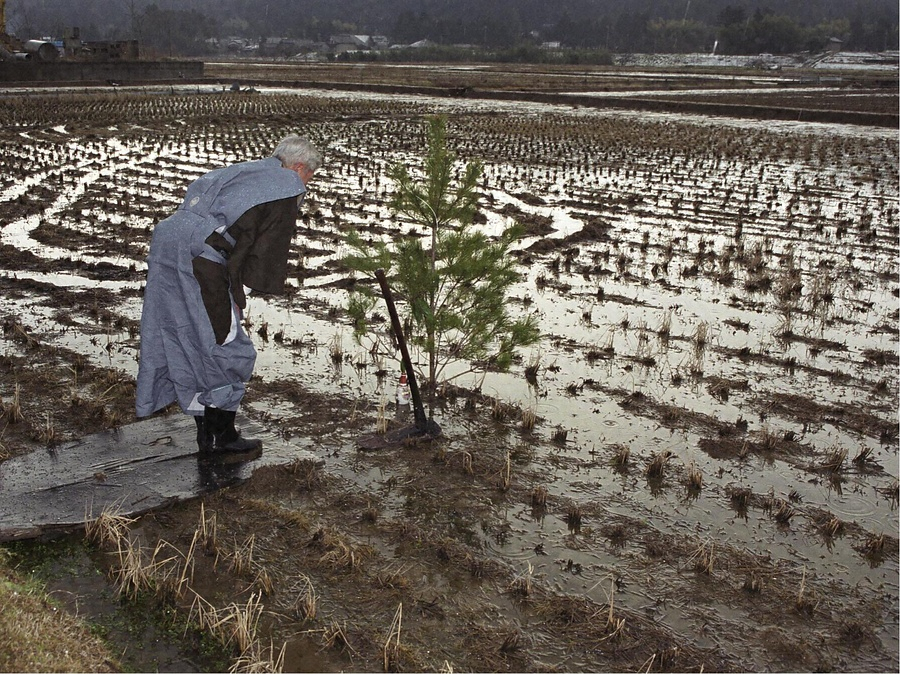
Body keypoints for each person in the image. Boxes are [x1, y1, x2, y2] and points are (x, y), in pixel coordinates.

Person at [135, 134, 323, 459]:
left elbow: (201, 201)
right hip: (200, 260)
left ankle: (206, 435)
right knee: (228, 346)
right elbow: (263, 252)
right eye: (309, 176)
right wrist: (238, 293)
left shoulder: (248, 170)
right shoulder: (286, 184)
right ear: (297, 166)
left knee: (186, 337)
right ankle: (223, 439)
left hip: (168, 244)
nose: (306, 185)